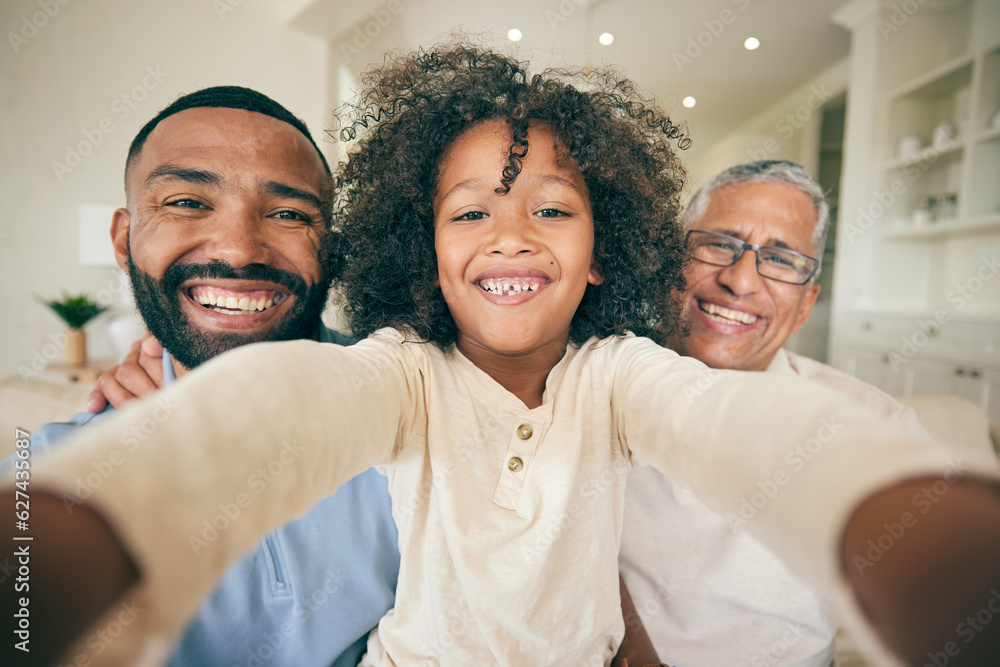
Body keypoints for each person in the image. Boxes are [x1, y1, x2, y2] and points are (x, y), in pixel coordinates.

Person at [6, 44, 1000, 667]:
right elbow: (281, 405)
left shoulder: (619, 372)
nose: (512, 236)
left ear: (604, 249)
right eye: (470, 210)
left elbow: (736, 426)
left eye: (553, 210)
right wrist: (97, 510)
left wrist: (892, 521)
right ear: (423, 252)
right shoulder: (394, 368)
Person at [0, 86, 399, 667]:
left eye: (289, 214)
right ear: (124, 237)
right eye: (187, 202)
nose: (239, 252)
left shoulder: (423, 409)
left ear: (330, 251)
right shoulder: (49, 468)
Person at [618, 160, 930, 666]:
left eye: (781, 260)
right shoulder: (593, 383)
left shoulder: (877, 424)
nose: (741, 281)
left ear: (806, 304)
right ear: (672, 262)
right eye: (720, 244)